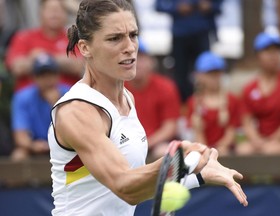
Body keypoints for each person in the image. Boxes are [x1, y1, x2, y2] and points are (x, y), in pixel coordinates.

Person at [48, 1, 247, 215]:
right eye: (115, 38)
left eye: (133, 35)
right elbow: (124, 186)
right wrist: (174, 161)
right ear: (85, 48)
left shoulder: (127, 98)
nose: (130, 47)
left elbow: (135, 186)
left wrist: (197, 175)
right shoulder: (77, 111)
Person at [5, 0, 83, 92]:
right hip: (29, 100)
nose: (54, 14)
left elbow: (79, 67)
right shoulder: (23, 37)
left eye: (58, 10)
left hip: (67, 96)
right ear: (40, 13)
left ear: (65, 14)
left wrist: (40, 57)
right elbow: (17, 68)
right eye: (50, 10)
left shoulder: (73, 39)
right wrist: (61, 60)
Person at [155, 0, 224, 102]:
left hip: (202, 33)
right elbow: (159, 5)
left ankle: (206, 106)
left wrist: (209, 6)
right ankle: (183, 106)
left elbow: (219, 7)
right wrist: (177, 8)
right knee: (180, 76)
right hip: (180, 35)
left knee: (205, 73)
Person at [125, 39, 181, 162]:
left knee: (164, 151)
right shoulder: (117, 87)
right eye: (132, 57)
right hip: (125, 143)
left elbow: (170, 127)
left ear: (151, 62)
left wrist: (145, 143)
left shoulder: (166, 87)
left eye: (141, 58)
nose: (137, 62)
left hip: (155, 144)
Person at [236, 32, 280, 155]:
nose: (273, 56)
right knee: (242, 150)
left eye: (276, 51)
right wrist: (256, 140)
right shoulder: (249, 88)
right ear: (257, 56)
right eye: (267, 51)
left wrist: (274, 139)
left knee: (273, 149)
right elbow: (247, 121)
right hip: (260, 140)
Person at [11, 53, 70, 161]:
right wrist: (33, 145)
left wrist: (55, 104)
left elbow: (74, 130)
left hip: (65, 144)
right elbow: (20, 136)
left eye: (50, 74)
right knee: (19, 155)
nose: (47, 80)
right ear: (34, 78)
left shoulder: (70, 93)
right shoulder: (22, 97)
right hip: (35, 146)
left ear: (58, 76)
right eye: (42, 75)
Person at [186, 51, 240, 156]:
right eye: (210, 74)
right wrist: (205, 150)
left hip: (225, 151)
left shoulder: (231, 100)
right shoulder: (194, 102)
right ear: (199, 75)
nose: (214, 78)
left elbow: (232, 131)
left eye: (217, 73)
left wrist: (219, 148)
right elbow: (195, 132)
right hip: (202, 150)